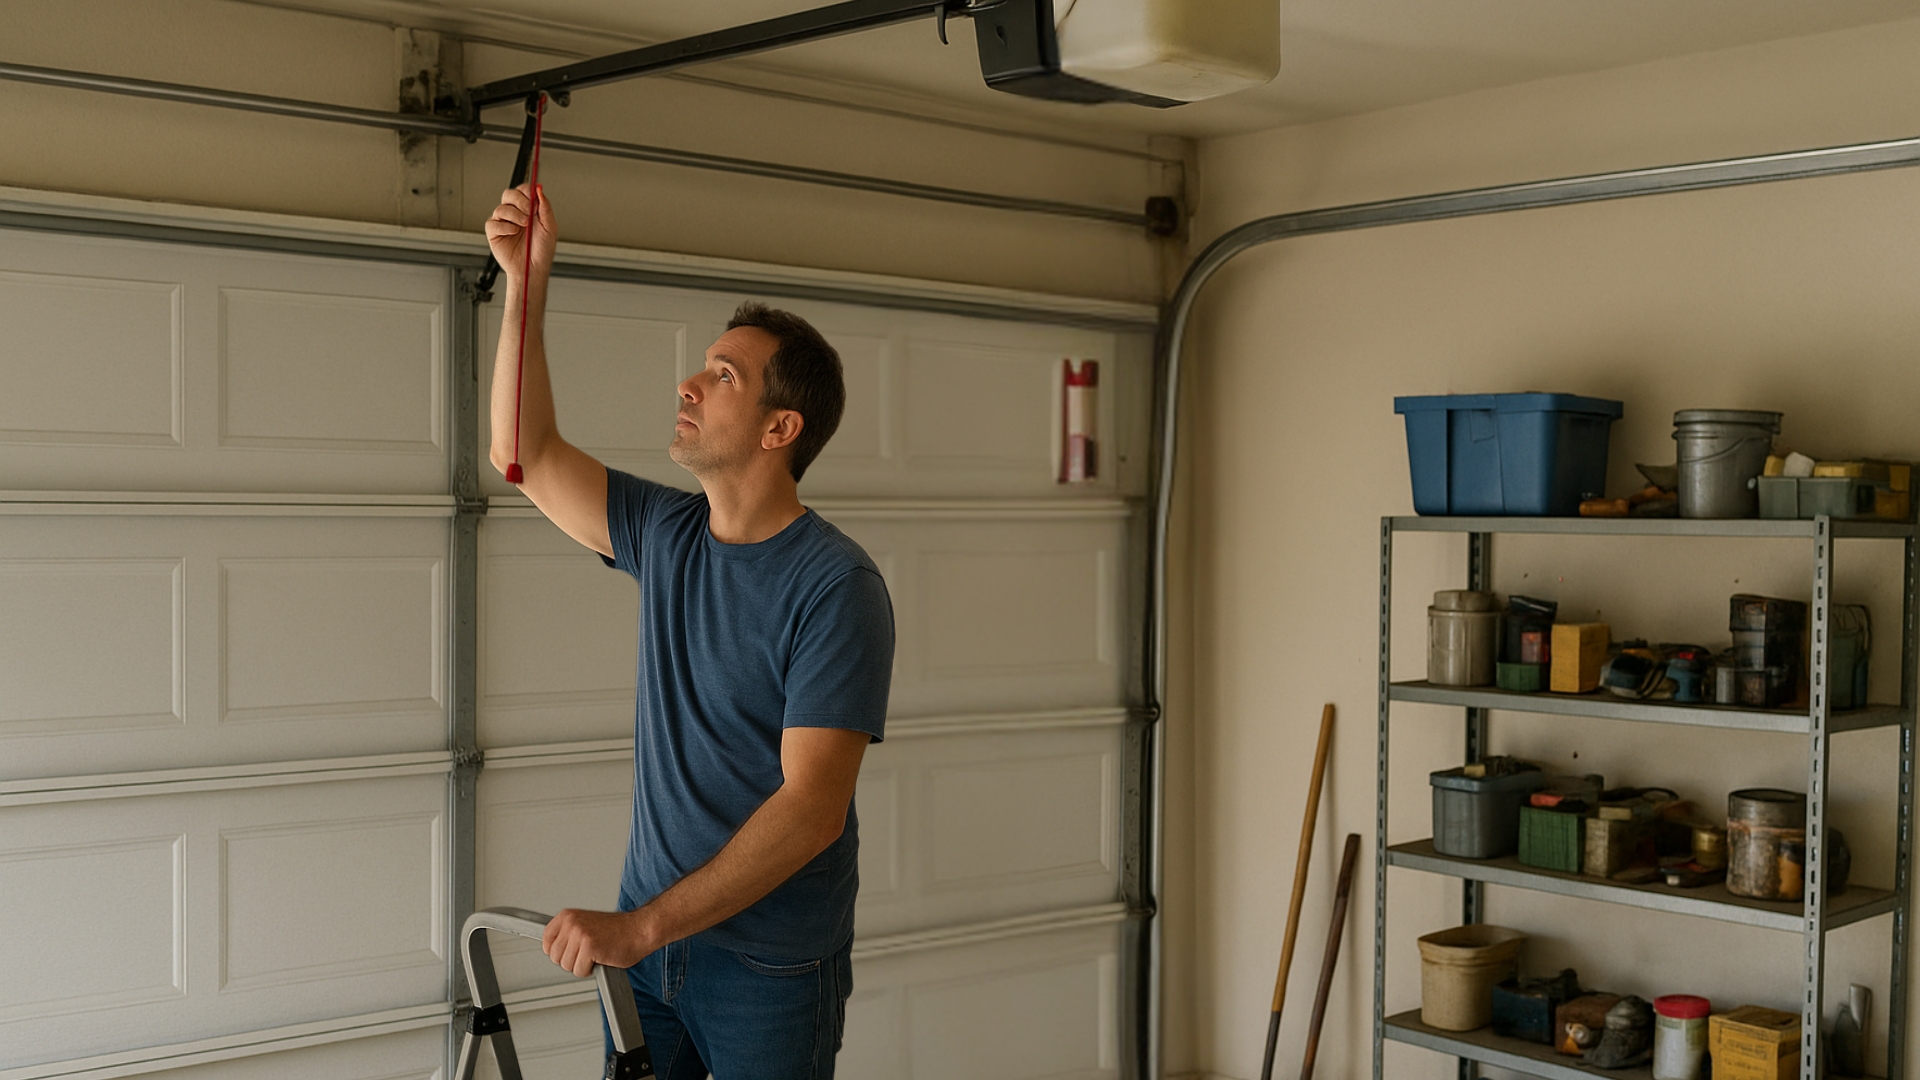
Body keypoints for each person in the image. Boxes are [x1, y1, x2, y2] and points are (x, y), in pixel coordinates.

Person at [484, 182, 895, 1080]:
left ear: (779, 428)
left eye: (724, 376)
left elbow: (811, 810)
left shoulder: (836, 587)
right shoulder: (667, 534)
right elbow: (522, 451)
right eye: (704, 365)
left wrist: (639, 926)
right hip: (652, 952)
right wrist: (527, 283)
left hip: (766, 966)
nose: (690, 383)